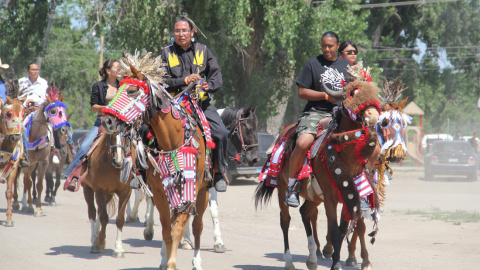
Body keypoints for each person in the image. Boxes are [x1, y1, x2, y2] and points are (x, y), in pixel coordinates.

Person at [159, 16, 228, 192]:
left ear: (192, 32)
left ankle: (219, 172)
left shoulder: (203, 50)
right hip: (173, 105)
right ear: (173, 33)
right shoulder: (166, 53)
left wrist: (208, 85)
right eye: (177, 31)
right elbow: (160, 80)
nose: (181, 34)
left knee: (221, 133)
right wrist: (184, 80)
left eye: (184, 31)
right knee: (146, 130)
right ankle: (144, 171)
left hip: (201, 104)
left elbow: (216, 76)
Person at [285, 31, 351, 208]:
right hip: (316, 112)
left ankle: (362, 188)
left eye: (330, 46)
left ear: (338, 46)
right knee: (302, 143)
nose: (327, 49)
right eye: (324, 45)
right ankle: (292, 186)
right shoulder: (312, 64)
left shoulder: (347, 65)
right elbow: (301, 92)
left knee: (362, 141)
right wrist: (325, 96)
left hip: (342, 113)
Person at [64, 59, 122, 191]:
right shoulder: (98, 86)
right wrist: (109, 108)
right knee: (85, 146)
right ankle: (73, 176)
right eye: (117, 67)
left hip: (121, 123)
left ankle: (140, 178)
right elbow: (94, 107)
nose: (120, 70)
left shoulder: (123, 86)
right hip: (102, 121)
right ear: (108, 71)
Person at [18, 63, 51, 167]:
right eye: (32, 69)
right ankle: (21, 154)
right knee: (18, 127)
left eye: (36, 69)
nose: (34, 71)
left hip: (39, 110)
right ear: (27, 70)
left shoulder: (43, 83)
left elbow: (46, 98)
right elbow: (17, 96)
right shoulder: (21, 82)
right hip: (24, 109)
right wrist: (25, 102)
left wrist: (33, 100)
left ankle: (55, 149)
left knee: (52, 124)